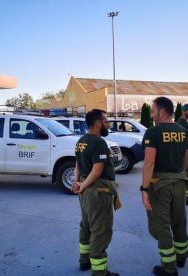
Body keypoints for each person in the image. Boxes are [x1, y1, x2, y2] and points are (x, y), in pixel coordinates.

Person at [141, 96, 188, 276]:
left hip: (160, 186)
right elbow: (187, 157)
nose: (152, 114)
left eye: (153, 111)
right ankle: (181, 256)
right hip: (179, 182)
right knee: (179, 221)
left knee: (161, 226)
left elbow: (149, 164)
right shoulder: (183, 130)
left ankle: (169, 268)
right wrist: (179, 173)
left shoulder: (153, 133)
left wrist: (144, 189)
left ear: (162, 112)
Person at [72, 109, 121, 276]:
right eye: (106, 121)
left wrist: (77, 183)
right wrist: (84, 185)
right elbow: (98, 169)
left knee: (86, 226)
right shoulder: (98, 142)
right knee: (100, 230)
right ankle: (100, 272)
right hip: (98, 191)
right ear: (98, 123)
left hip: (85, 192)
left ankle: (84, 261)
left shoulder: (81, 141)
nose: (108, 124)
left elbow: (77, 164)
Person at [175, 103, 188, 206]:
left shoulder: (185, 123)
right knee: (187, 177)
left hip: (185, 154)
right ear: (184, 111)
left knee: (186, 177)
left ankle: (183, 197)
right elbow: (186, 141)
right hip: (184, 155)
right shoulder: (181, 123)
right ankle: (184, 198)